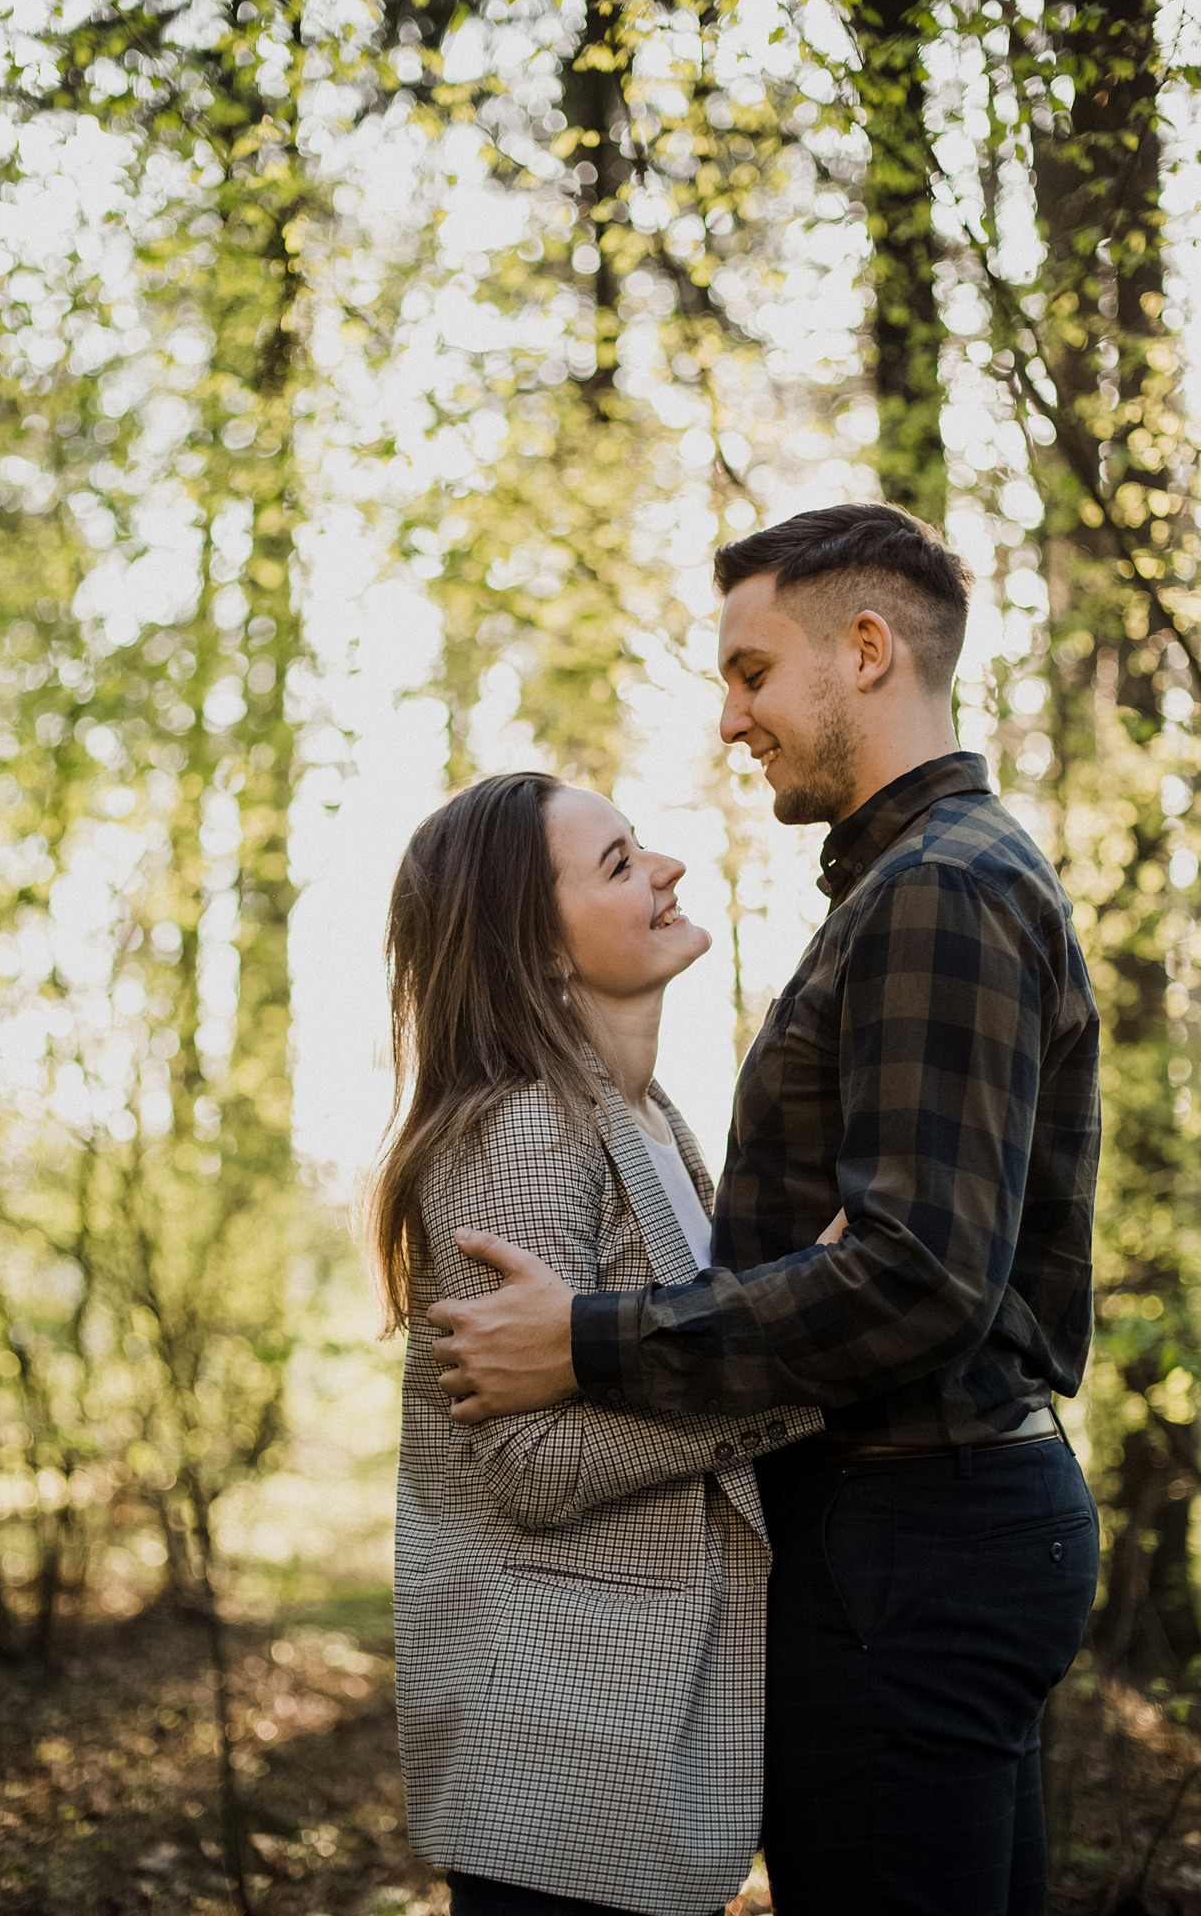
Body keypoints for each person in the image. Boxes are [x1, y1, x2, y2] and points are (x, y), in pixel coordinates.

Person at [428, 502, 1103, 1916]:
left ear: (865, 652)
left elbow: (915, 1281)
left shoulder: (936, 894)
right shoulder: (919, 887)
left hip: (912, 1537)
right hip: (913, 1536)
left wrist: (591, 1342)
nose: (732, 722)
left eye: (750, 672)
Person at [374, 770, 822, 1916]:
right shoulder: (518, 1130)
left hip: (630, 1744)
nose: (666, 867)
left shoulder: (649, 1118)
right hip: (555, 1753)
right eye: (619, 864)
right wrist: (801, 1380)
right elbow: (534, 1466)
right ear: (539, 958)